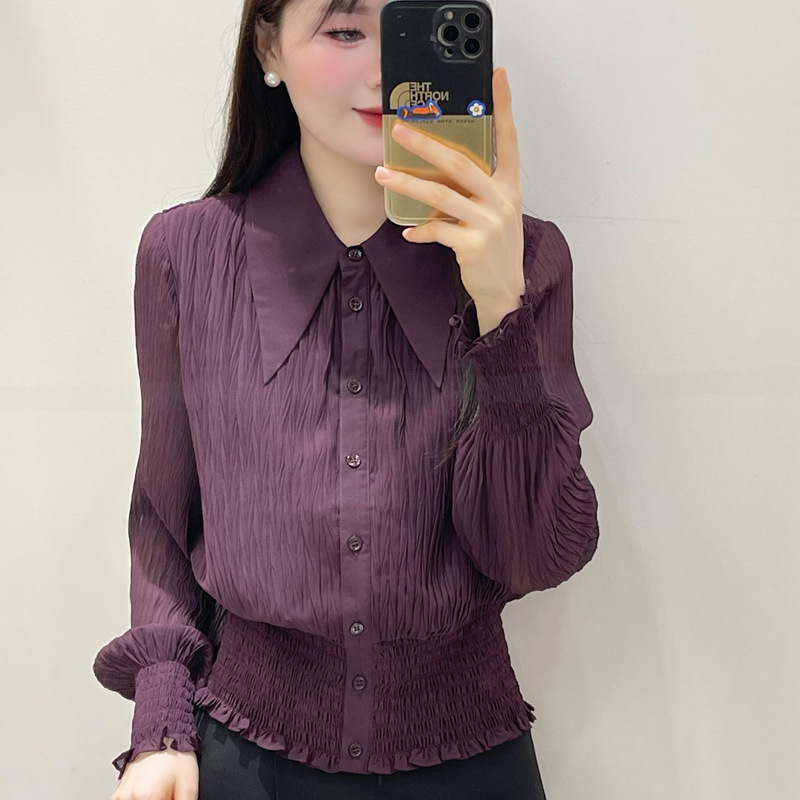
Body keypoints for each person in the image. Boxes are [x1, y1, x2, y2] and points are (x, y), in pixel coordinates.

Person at [92, 0, 600, 798]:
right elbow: (163, 514)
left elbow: (535, 556)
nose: (387, 73)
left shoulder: (529, 259)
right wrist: (160, 725)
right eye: (346, 30)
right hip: (243, 760)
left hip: (470, 765)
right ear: (268, 48)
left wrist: (502, 308)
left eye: (410, 30)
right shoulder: (184, 254)